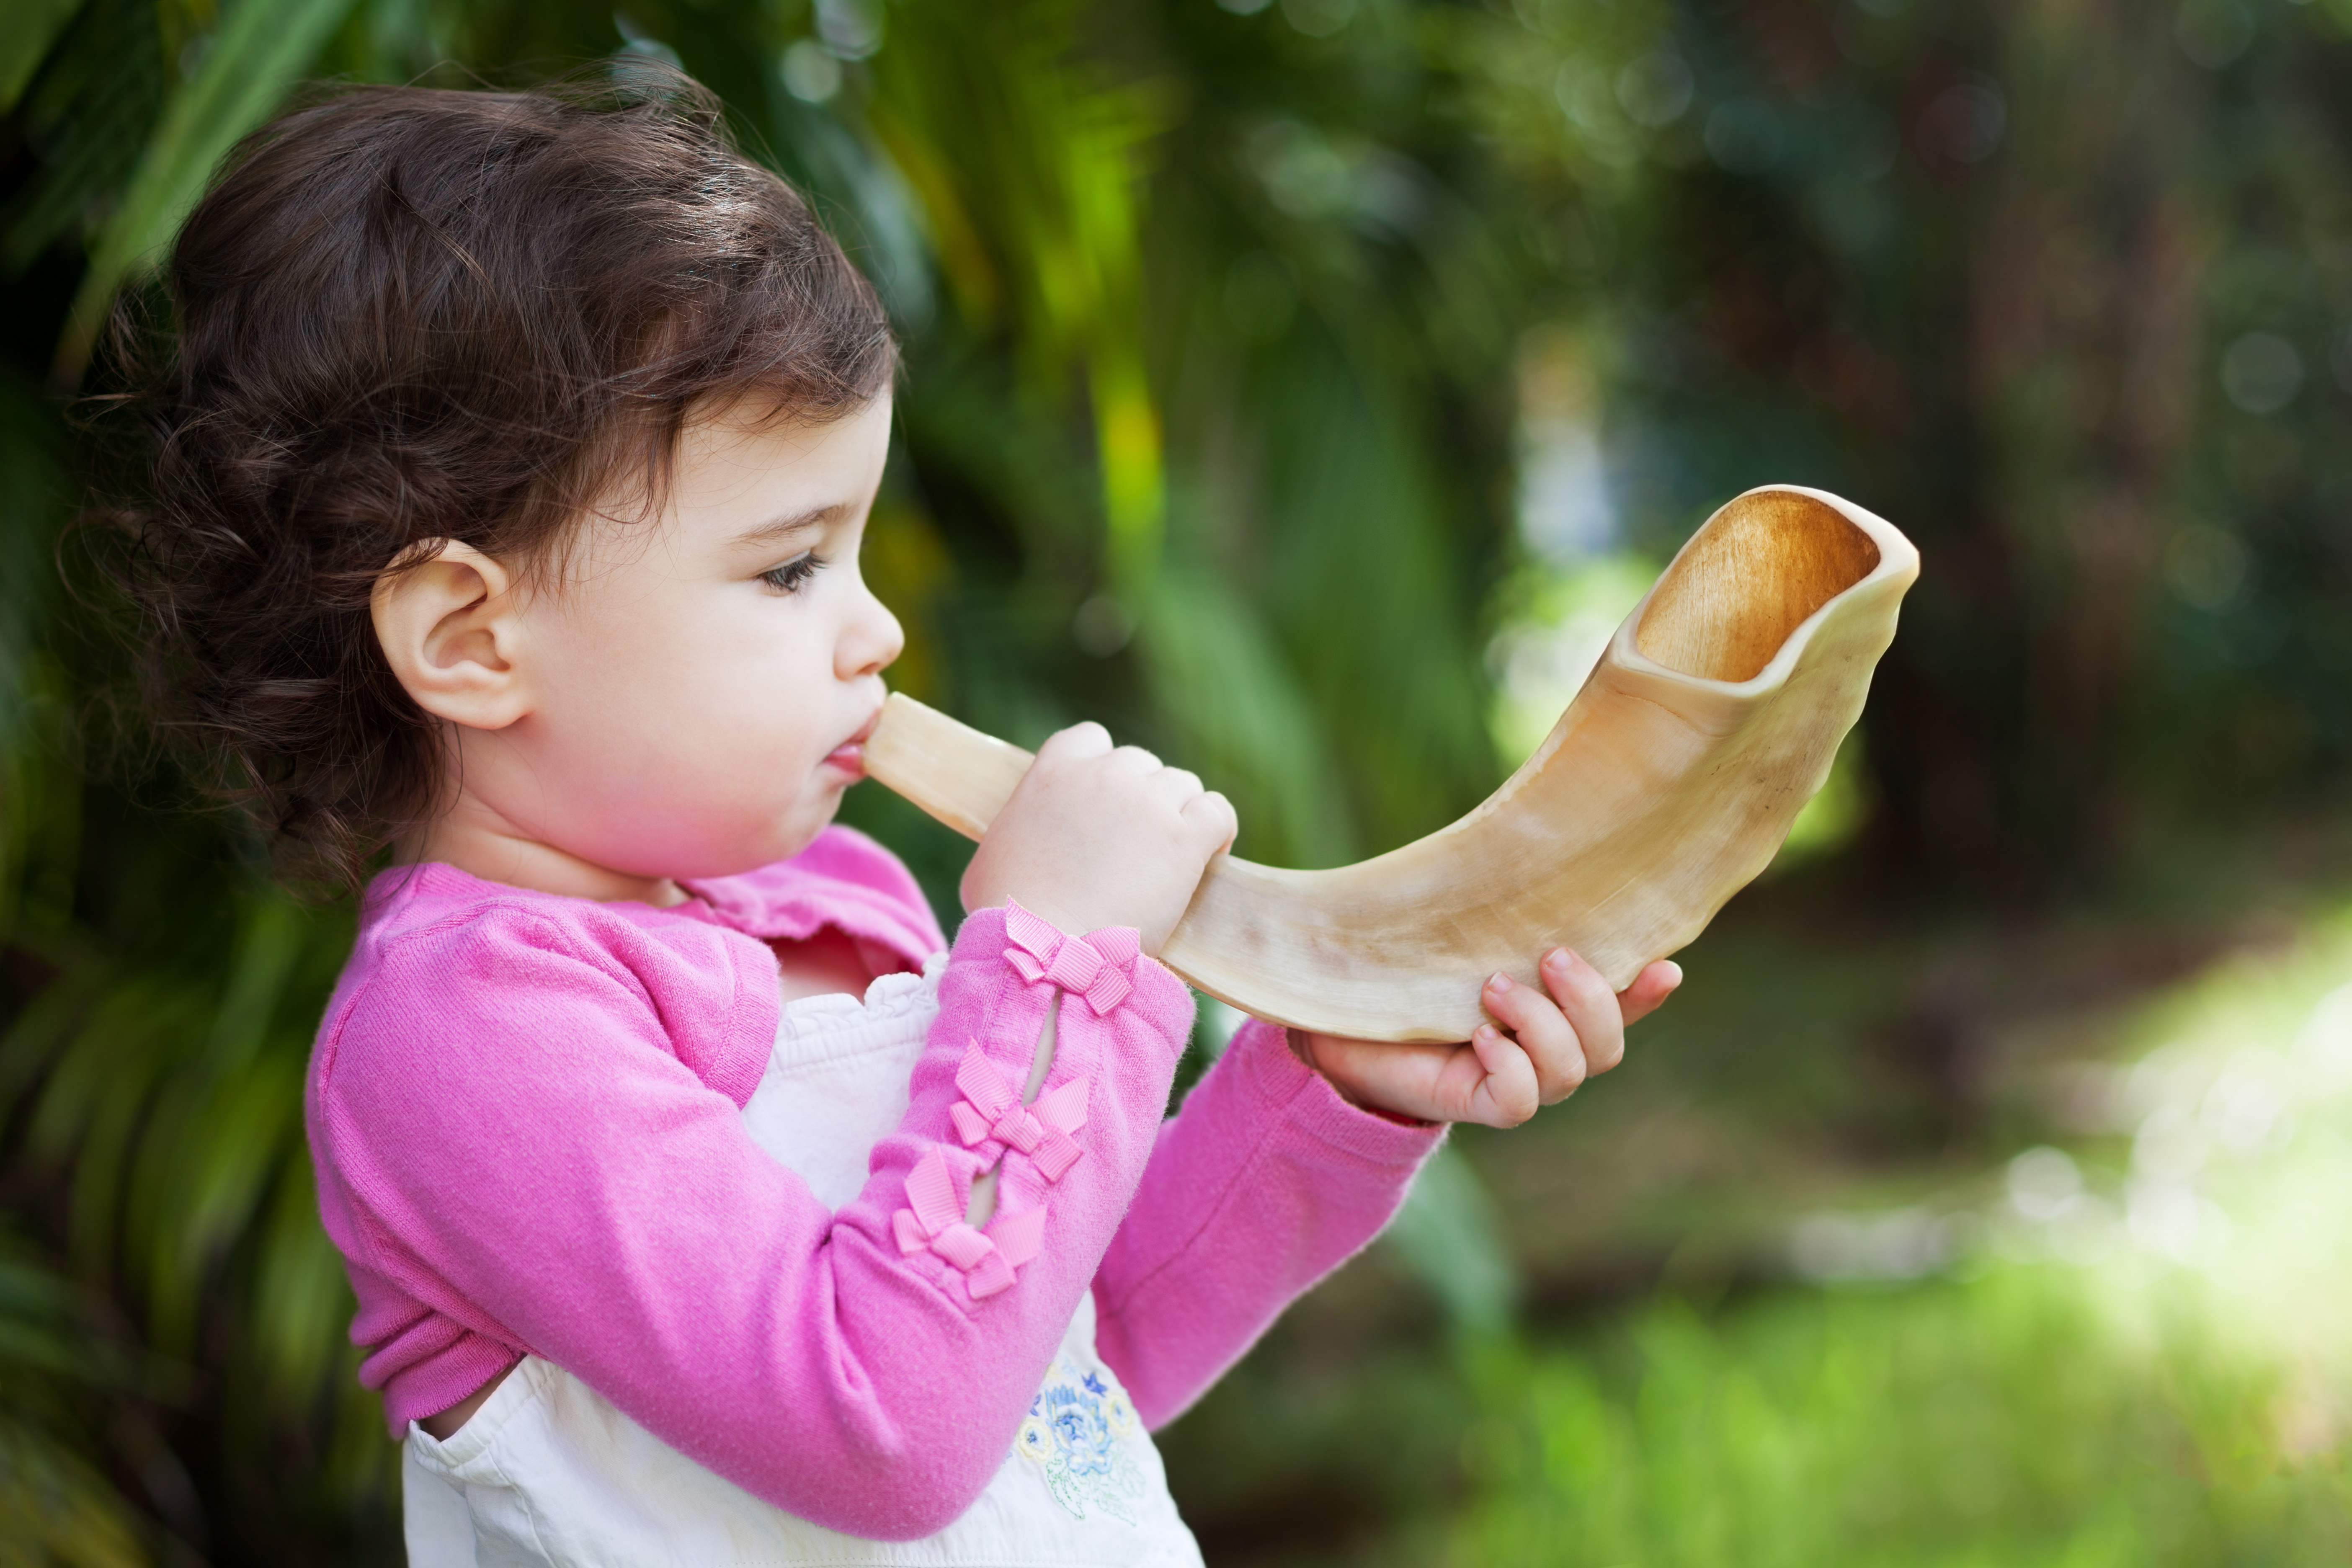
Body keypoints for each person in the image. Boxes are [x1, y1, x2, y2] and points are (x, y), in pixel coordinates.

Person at [106, 69, 1680, 1566]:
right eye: (791, 568)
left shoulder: (844, 907)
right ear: (469, 638)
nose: (875, 634)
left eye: (856, 554)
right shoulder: (466, 1033)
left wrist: (1330, 1087)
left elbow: (1068, 1356)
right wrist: (1058, 966)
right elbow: (890, 1431)